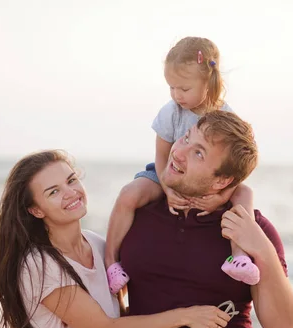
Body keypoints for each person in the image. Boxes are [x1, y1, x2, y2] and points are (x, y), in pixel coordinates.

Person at [0, 150, 232, 328]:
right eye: (53, 192)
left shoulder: (98, 245)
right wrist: (187, 315)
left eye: (71, 180)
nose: (70, 193)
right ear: (36, 210)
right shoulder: (40, 265)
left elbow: (126, 313)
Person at [120, 111, 293, 328]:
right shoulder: (138, 214)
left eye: (198, 154)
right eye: (185, 138)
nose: (178, 153)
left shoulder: (249, 229)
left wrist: (260, 247)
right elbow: (108, 302)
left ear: (222, 180)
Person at [105, 37, 259, 295]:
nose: (177, 95)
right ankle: (111, 262)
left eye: (184, 89)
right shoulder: (171, 112)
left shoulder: (226, 117)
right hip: (164, 172)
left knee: (246, 193)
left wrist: (220, 197)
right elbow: (161, 157)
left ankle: (239, 257)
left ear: (209, 83)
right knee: (128, 194)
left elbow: (236, 165)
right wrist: (167, 190)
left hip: (204, 177)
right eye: (171, 88)